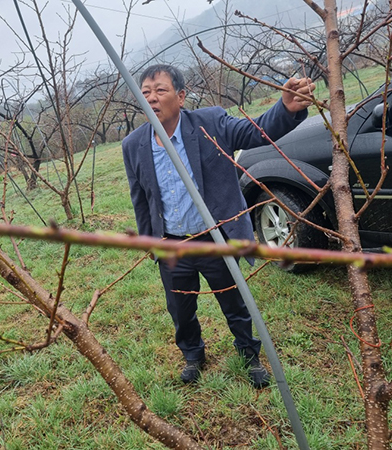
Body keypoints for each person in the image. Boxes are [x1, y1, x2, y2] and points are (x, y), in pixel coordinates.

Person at [122, 64, 314, 388]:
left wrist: (285, 109)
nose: (151, 99)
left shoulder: (210, 123)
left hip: (215, 239)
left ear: (181, 97)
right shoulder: (133, 145)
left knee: (234, 303)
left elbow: (254, 131)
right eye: (145, 93)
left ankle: (248, 354)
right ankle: (193, 355)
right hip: (172, 244)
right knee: (180, 309)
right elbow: (140, 198)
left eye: (160, 91)